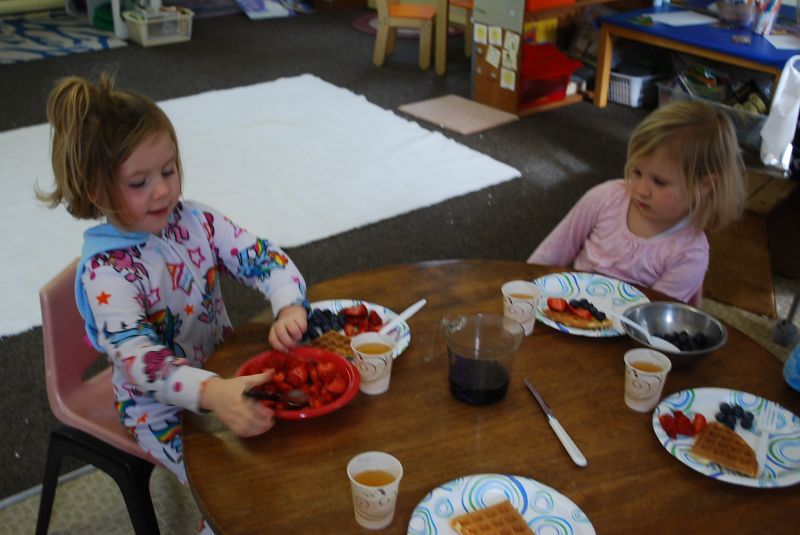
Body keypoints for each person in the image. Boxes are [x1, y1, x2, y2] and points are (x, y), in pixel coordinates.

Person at [38, 74, 309, 518]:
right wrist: (214, 394)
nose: (162, 190)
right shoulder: (106, 275)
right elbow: (144, 363)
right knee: (235, 491)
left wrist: (289, 303)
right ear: (96, 190)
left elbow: (260, 257)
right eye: (138, 182)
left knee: (291, 452)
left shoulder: (195, 220)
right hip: (156, 408)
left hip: (221, 369)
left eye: (168, 170)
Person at [528, 100, 747, 306]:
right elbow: (550, 254)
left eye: (659, 182)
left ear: (704, 186)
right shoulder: (605, 197)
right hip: (568, 310)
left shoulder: (689, 252)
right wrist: (524, 288)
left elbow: (651, 319)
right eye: (637, 171)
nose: (641, 190)